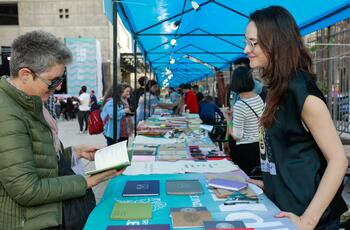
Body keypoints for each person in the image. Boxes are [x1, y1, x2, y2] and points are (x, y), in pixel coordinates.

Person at [0, 30, 123, 229]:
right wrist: (89, 180)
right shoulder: (7, 113)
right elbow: (27, 189)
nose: (57, 87)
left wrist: (73, 153)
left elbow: (36, 159)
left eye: (61, 79)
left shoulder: (26, 102)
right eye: (53, 81)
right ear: (25, 75)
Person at [245, 6, 348, 229]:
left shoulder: (302, 92)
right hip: (281, 209)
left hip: (308, 218)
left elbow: (338, 160)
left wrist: (307, 221)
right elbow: (290, 152)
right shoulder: (274, 89)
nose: (246, 49)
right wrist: (268, 184)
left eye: (253, 42)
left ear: (275, 43)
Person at [224, 67, 264, 175]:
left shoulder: (240, 105)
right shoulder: (258, 98)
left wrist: (228, 119)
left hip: (246, 149)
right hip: (260, 146)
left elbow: (237, 136)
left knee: (247, 180)